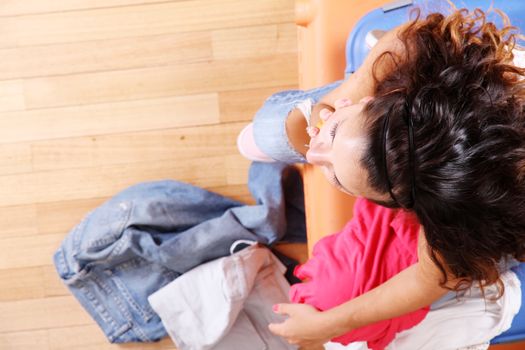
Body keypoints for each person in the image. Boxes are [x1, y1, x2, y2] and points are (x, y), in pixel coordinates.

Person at [237, 7, 525, 349]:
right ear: (382, 97)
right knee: (268, 132)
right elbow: (409, 41)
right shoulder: (431, 59)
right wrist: (342, 98)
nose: (312, 156)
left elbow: (427, 279)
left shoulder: (458, 224)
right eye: (333, 136)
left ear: (404, 206)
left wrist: (327, 324)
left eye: (336, 177)